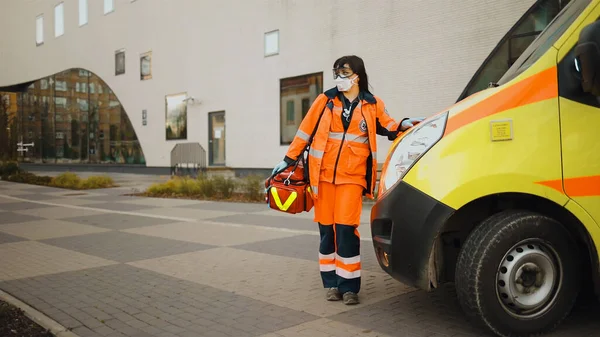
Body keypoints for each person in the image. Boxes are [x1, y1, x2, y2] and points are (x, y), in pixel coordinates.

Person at [272, 55, 424, 305]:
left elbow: (388, 126)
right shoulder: (325, 100)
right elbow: (305, 130)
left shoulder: (372, 104)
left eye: (344, 72)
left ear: (358, 75)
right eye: (337, 72)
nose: (339, 77)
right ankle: (331, 284)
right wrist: (288, 160)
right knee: (326, 232)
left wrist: (404, 123)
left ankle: (350, 287)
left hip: (352, 178)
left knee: (346, 230)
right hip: (322, 177)